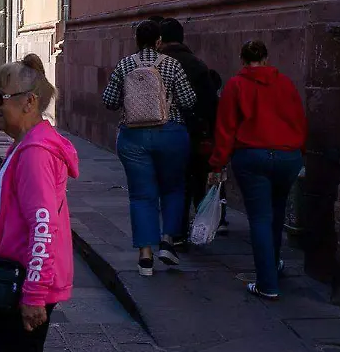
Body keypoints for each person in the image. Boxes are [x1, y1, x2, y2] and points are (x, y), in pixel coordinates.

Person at [0, 55, 78, 352]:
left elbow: (43, 227)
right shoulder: (21, 146)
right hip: (12, 278)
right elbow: (6, 224)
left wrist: (34, 294)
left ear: (29, 102)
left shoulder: (35, 154)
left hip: (24, 286)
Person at [208, 40, 307, 301]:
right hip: (287, 156)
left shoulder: (235, 85)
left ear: (243, 60)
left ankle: (267, 282)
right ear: (265, 58)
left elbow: (226, 128)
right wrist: (300, 153)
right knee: (276, 213)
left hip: (251, 156)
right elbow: (299, 119)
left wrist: (218, 162)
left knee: (260, 218)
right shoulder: (284, 83)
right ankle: (273, 264)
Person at [101, 19, 196, 276]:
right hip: (171, 134)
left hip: (133, 138)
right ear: (159, 41)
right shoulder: (172, 65)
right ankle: (167, 241)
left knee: (141, 195)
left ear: (136, 41)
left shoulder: (125, 65)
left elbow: (109, 101)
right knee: (174, 189)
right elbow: (188, 101)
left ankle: (145, 257)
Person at [157, 18, 226, 242]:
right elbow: (209, 102)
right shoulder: (196, 64)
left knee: (174, 183)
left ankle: (176, 232)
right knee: (195, 181)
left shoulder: (158, 63)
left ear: (161, 39)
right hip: (196, 133)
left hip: (164, 131)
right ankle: (196, 229)